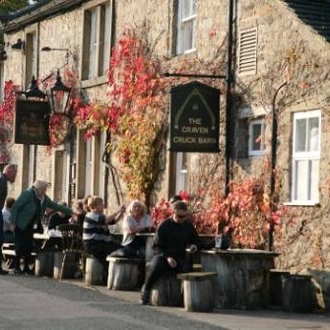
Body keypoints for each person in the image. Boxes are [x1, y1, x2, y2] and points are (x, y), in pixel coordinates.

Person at [140, 200, 202, 305]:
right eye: (179, 216)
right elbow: (156, 247)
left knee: (187, 268)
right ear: (173, 213)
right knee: (155, 266)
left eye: (184, 216)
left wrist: (194, 246)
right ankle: (146, 289)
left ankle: (185, 296)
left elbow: (198, 241)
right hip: (163, 256)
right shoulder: (164, 226)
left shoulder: (188, 226)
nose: (182, 219)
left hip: (179, 257)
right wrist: (167, 257)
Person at [10, 179, 73, 275]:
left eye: (45, 189)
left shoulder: (43, 198)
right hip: (21, 223)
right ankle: (16, 267)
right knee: (20, 245)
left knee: (29, 245)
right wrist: (13, 222)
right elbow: (16, 207)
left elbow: (56, 206)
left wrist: (71, 212)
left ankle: (26, 267)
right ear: (37, 188)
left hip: (32, 224)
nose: (44, 191)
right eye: (43, 189)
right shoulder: (27, 194)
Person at [82, 196, 126, 279]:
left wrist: (121, 213)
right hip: (93, 244)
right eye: (101, 204)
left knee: (124, 250)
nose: (103, 205)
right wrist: (118, 211)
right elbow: (106, 220)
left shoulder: (100, 216)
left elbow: (113, 221)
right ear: (94, 206)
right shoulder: (91, 215)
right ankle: (109, 276)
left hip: (103, 243)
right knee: (113, 253)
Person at [0, 164, 17, 275]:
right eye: (15, 173)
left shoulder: (2, 180)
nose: (15, 176)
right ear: (9, 171)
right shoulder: (2, 181)